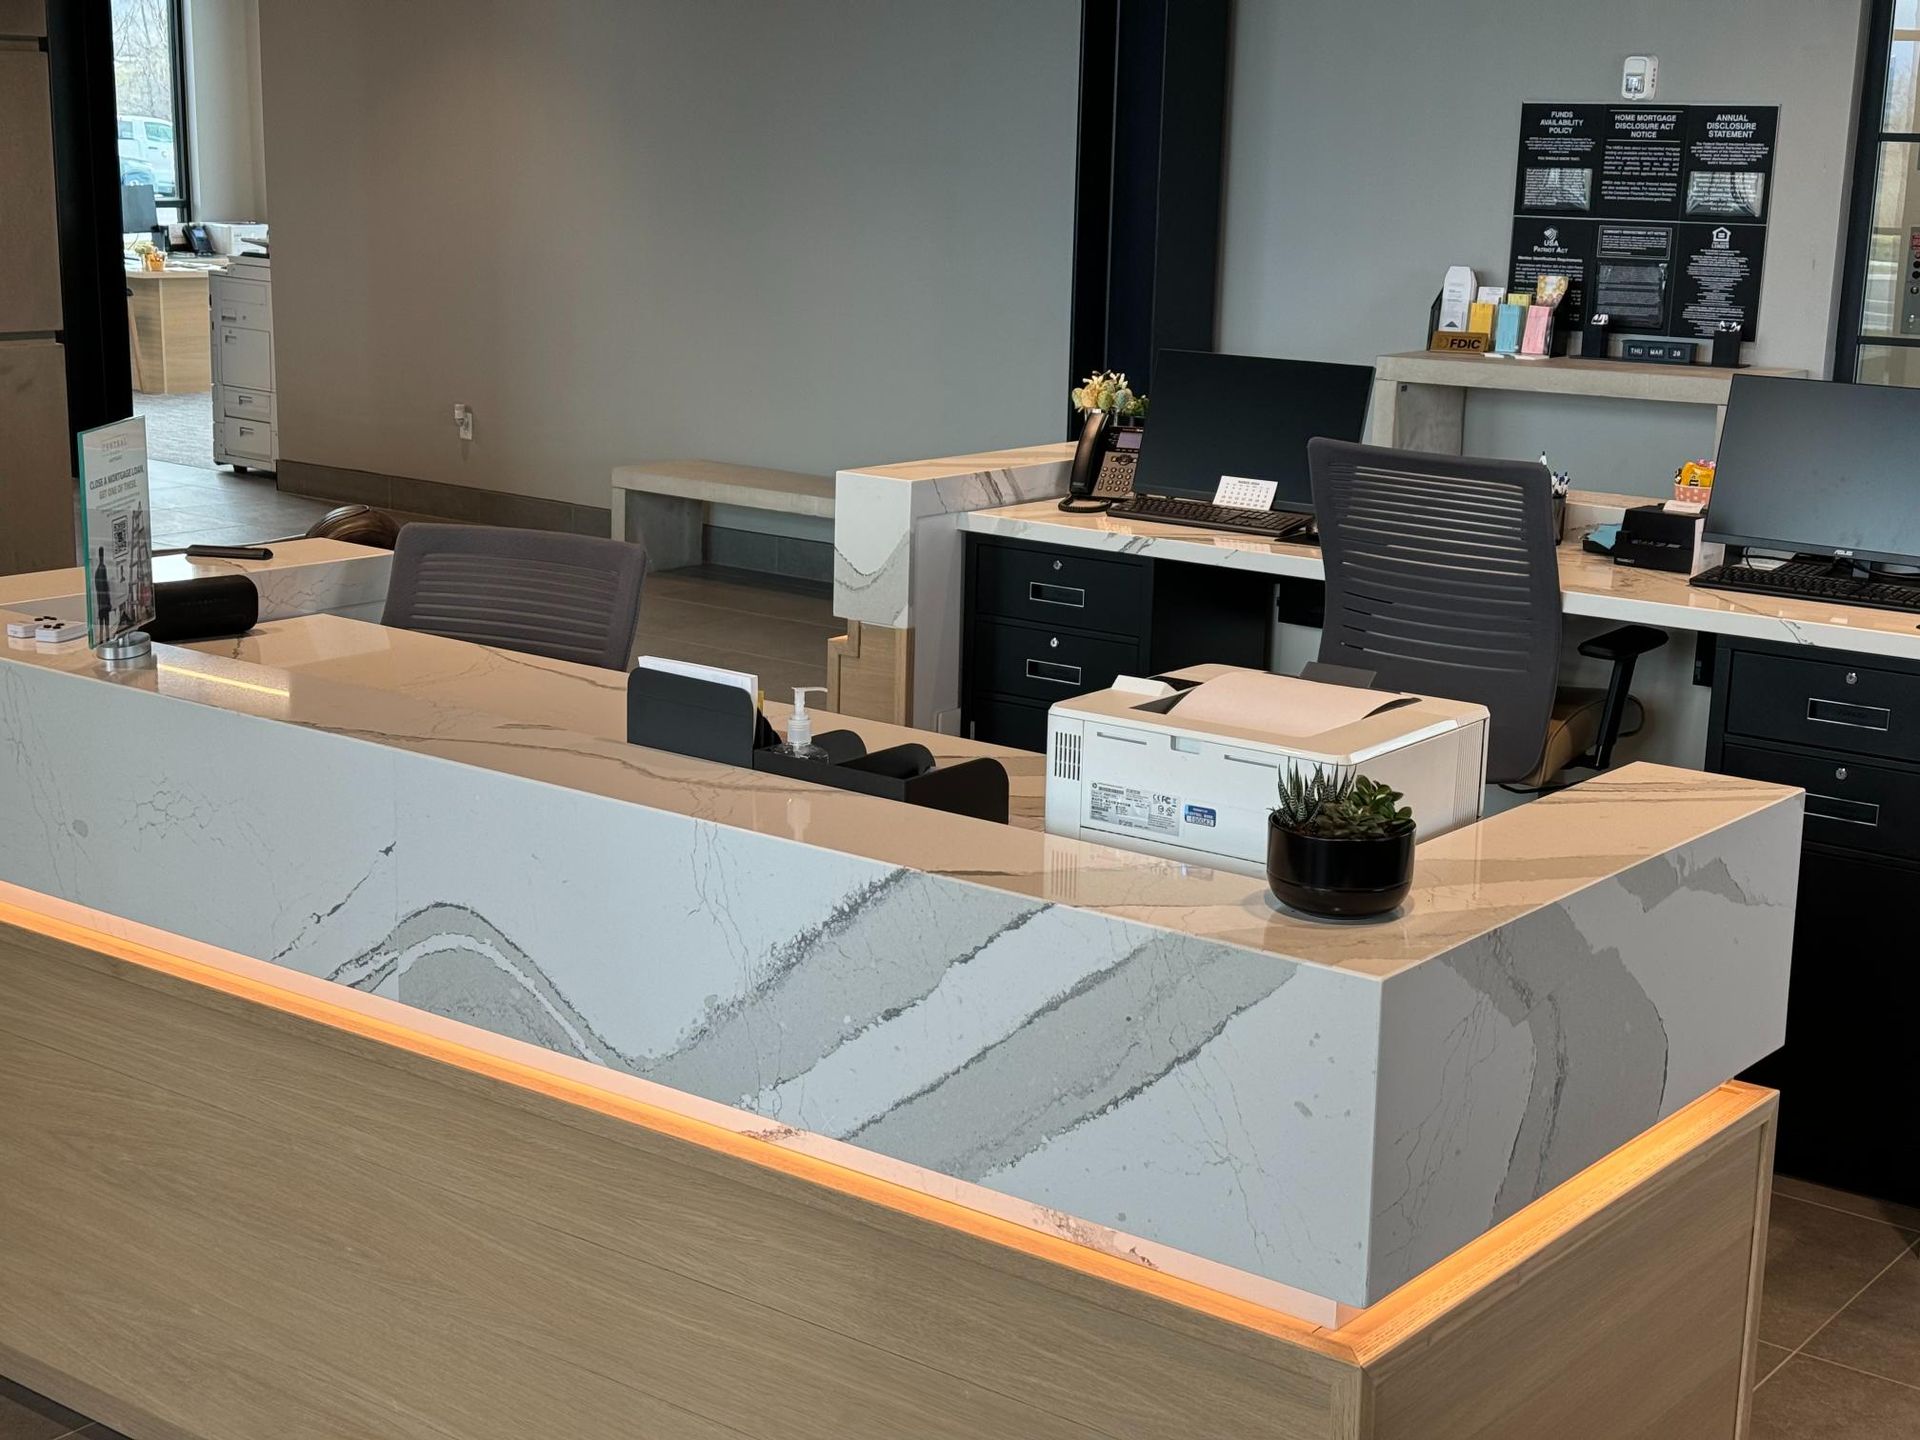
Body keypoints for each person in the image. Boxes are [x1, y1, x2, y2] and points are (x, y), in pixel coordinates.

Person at [92, 546, 112, 633]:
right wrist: (108, 602)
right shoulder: (102, 568)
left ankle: (102, 638)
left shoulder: (97, 571)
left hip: (100, 603)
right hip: (104, 603)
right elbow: (105, 587)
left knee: (101, 626)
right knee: (106, 624)